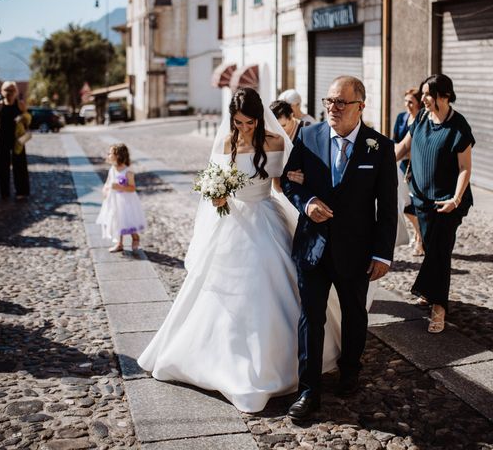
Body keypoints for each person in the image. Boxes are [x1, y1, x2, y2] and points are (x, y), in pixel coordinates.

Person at [137, 88, 343, 413]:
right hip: (232, 222)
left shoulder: (275, 141)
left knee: (271, 285)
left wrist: (294, 180)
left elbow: (279, 187)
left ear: (260, 118)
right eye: (238, 122)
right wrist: (217, 197)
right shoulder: (225, 143)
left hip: (265, 217)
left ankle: (282, 364)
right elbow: (216, 185)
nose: (244, 128)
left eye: (249, 122)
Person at [281, 76, 397, 419]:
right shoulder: (308, 135)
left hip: (357, 250)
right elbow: (289, 180)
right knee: (310, 318)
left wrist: (382, 253)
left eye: (341, 102)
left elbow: (387, 207)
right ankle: (308, 391)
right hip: (312, 247)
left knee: (354, 315)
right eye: (329, 101)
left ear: (360, 106)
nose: (332, 108)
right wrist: (307, 202)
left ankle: (350, 372)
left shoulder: (379, 147)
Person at [395, 74, 474, 334]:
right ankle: (430, 292)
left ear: (445, 95)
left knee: (440, 251)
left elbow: (464, 168)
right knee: (431, 248)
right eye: (423, 94)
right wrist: (381, 162)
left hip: (449, 201)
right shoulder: (420, 118)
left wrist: (456, 198)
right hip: (421, 197)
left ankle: (438, 307)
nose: (424, 99)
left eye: (429, 94)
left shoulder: (458, 126)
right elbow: (404, 147)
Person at [96, 143, 146, 252]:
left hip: (126, 201)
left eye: (110, 153)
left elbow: (132, 188)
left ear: (118, 156)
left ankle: (135, 238)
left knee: (128, 220)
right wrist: (105, 189)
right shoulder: (112, 169)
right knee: (116, 221)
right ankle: (119, 243)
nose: (108, 155)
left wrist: (119, 187)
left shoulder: (128, 171)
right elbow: (108, 182)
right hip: (114, 200)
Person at [392, 88, 424, 256]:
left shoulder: (422, 121)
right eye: (406, 101)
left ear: (419, 103)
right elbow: (396, 141)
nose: (407, 105)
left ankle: (420, 238)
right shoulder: (401, 118)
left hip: (416, 167)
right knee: (403, 204)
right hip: (401, 166)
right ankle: (419, 233)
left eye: (411, 102)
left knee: (415, 203)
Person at [0, 81, 30, 200]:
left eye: (12, 90)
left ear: (16, 92)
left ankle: (21, 192)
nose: (9, 93)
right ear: (2, 92)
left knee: (20, 164)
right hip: (3, 137)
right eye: (7, 90)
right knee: (2, 166)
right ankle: (4, 193)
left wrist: (23, 121)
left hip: (17, 138)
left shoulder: (20, 105)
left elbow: (27, 121)